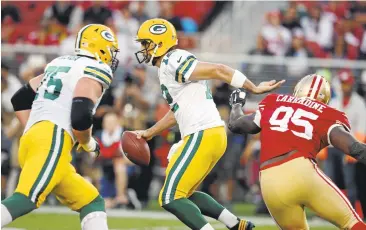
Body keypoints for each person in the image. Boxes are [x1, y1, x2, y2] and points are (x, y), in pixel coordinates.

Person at [133, 18, 284, 230]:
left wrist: (253, 88)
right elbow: (177, 111)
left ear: (160, 43)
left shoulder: (173, 60)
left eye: (146, 43)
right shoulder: (167, 66)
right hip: (208, 134)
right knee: (184, 194)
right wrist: (150, 132)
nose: (142, 49)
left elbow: (219, 70)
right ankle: (236, 224)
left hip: (202, 133)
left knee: (169, 197)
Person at [1, 24, 120, 230]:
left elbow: (19, 99)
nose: (112, 56)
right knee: (26, 199)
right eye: (110, 50)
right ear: (100, 47)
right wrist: (88, 142)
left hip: (35, 139)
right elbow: (81, 114)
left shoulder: (59, 62)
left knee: (91, 201)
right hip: (52, 139)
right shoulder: (97, 68)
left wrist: (33, 127)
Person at [228, 74, 366, 230]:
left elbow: (236, 124)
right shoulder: (327, 113)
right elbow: (354, 148)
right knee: (352, 223)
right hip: (301, 171)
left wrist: (237, 104)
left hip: (269, 181)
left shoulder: (274, 102)